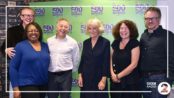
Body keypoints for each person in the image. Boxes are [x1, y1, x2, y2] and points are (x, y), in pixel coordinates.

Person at [139, 7, 174, 98]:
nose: (149, 21)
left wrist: (168, 81)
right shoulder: (143, 36)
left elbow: (171, 59)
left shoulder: (168, 35)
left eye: (152, 18)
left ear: (158, 19)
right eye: (146, 19)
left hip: (160, 79)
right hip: (144, 79)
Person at [9, 22, 50, 98]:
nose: (33, 33)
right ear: (26, 33)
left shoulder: (45, 46)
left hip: (43, 84)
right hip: (27, 84)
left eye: (36, 30)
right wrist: (15, 88)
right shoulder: (20, 46)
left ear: (39, 32)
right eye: (30, 31)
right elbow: (13, 67)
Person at [47, 18, 80, 98]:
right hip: (51, 74)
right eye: (61, 26)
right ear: (56, 27)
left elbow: (76, 59)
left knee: (65, 96)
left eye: (66, 27)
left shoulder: (73, 42)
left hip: (66, 75)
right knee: (51, 96)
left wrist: (71, 71)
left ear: (68, 29)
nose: (63, 28)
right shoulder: (49, 41)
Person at [78, 18, 110, 98]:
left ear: (99, 29)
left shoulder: (105, 42)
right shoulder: (86, 42)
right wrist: (80, 76)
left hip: (99, 79)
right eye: (89, 28)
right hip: (86, 79)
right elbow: (83, 61)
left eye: (94, 28)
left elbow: (106, 62)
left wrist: (103, 80)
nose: (91, 30)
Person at [110, 20, 140, 98]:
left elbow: (134, 64)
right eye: (121, 28)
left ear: (131, 30)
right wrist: (113, 75)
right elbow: (110, 59)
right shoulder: (115, 42)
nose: (123, 31)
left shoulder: (134, 43)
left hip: (130, 83)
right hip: (115, 83)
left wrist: (118, 76)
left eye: (126, 28)